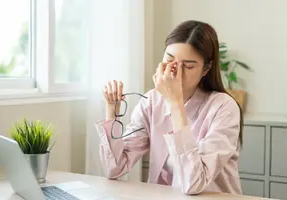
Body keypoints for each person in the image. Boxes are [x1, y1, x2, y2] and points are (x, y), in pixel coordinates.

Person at [95, 20, 243, 195]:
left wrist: (175, 103)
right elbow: (114, 169)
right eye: (169, 60)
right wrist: (111, 111)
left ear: (206, 69)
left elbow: (193, 183)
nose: (174, 71)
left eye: (188, 66)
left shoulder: (224, 107)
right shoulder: (151, 101)